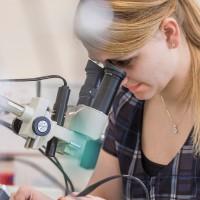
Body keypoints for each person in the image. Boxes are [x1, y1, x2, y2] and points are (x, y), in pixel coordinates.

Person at [10, 0, 200, 199]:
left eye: (125, 61)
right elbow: (105, 194)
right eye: (106, 68)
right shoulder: (128, 102)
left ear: (169, 33)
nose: (121, 80)